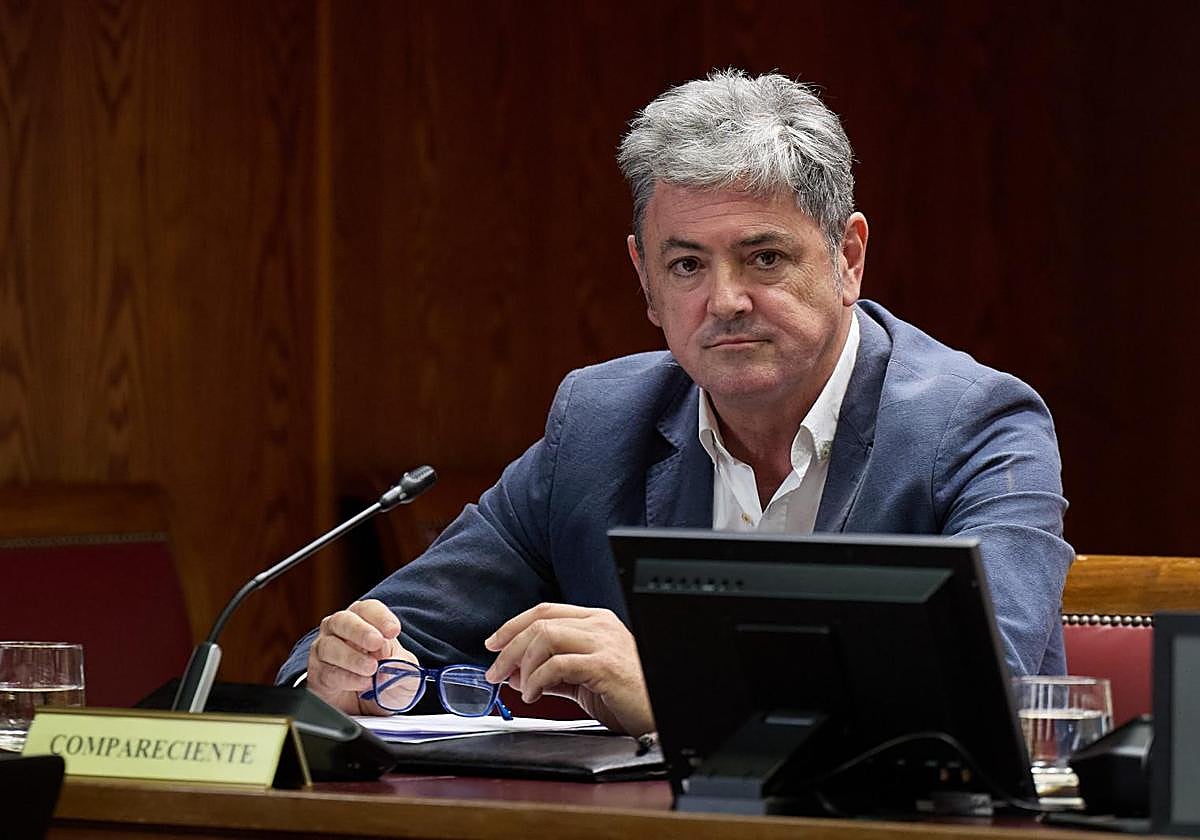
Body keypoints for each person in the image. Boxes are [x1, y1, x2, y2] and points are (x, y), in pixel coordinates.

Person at [278, 69, 1072, 737]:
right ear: (646, 281)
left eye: (764, 257)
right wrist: (345, 675)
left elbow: (979, 700)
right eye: (687, 265)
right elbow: (382, 636)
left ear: (848, 258)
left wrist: (674, 696)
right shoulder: (599, 427)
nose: (724, 300)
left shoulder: (976, 429)